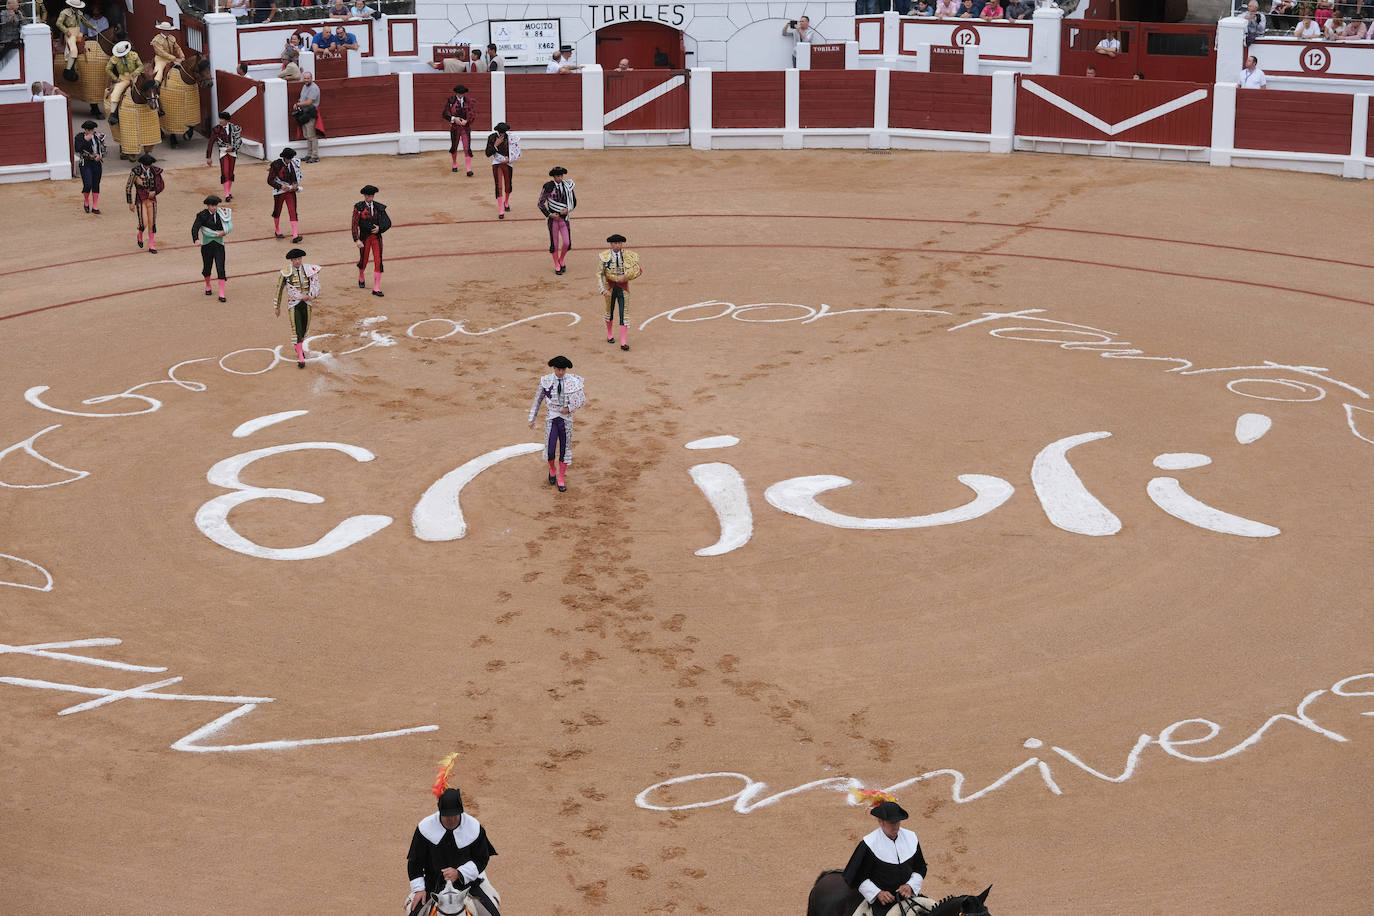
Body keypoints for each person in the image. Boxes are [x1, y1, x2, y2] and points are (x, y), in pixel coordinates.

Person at [406, 786, 501, 916]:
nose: (451, 819)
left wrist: (460, 873)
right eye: (446, 816)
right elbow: (415, 861)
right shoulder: (425, 828)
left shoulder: (474, 828)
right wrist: (419, 890)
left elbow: (481, 859)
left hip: (467, 885)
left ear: (460, 811)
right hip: (432, 884)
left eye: (454, 815)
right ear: (440, 812)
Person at [841, 800, 929, 916]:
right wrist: (877, 893)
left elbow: (920, 867)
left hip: (909, 896)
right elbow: (857, 876)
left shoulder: (911, 837)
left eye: (897, 822)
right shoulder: (869, 844)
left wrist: (910, 885)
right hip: (883, 903)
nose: (896, 826)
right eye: (891, 822)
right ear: (880, 821)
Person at [528, 355, 586, 492]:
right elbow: (538, 400)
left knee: (565, 450)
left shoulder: (573, 381)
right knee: (550, 450)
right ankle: (552, 469)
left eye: (563, 370)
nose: (561, 372)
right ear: (554, 368)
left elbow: (582, 400)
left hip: (566, 420)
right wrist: (532, 418)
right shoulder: (546, 381)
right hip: (551, 418)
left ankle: (561, 478)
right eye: (559, 369)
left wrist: (570, 408)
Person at [273, 248, 321, 368]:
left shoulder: (309, 270)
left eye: (299, 259)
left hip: (307, 303)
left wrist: (310, 296)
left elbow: (316, 285)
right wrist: (277, 306)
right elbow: (279, 289)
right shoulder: (286, 272)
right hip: (294, 304)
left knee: (304, 329)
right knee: (296, 329)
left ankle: (298, 347)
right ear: (291, 260)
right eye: (295, 259)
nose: (298, 261)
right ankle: (300, 357)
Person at [596, 233, 641, 351]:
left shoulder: (629, 255)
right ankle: (610, 334)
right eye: (615, 243)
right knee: (609, 311)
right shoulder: (604, 256)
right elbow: (599, 274)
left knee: (624, 313)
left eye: (619, 243)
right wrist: (603, 289)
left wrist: (626, 276)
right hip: (609, 287)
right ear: (611, 244)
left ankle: (623, 342)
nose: (617, 245)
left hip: (623, 287)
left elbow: (638, 270)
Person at [191, 194, 233, 302]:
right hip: (206, 246)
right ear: (208, 206)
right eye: (212, 206)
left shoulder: (221, 214)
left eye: (216, 205)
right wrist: (196, 239)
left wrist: (224, 232)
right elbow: (195, 228)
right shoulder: (201, 215)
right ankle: (208, 285)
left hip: (219, 245)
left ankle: (222, 293)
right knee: (207, 267)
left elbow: (229, 225)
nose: (215, 208)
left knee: (221, 268)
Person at [351, 184, 390, 297]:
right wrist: (356, 239)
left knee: (378, 261)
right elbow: (354, 224)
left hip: (376, 238)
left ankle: (376, 288)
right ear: (364, 196)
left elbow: (388, 222)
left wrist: (380, 228)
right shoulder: (359, 207)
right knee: (364, 260)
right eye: (368, 196)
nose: (370, 198)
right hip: (364, 238)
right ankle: (361, 275)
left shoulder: (379, 207)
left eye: (372, 196)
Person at [537, 166, 576, 275]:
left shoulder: (567, 186)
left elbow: (574, 201)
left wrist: (568, 209)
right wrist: (549, 215)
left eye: (561, 176)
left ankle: (561, 259)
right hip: (553, 220)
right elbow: (540, 203)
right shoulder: (548, 187)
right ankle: (557, 264)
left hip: (564, 219)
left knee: (566, 243)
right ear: (554, 177)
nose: (560, 178)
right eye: (558, 176)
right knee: (555, 243)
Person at [124, 153, 163, 253]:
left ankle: (151, 245)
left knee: (152, 222)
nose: (148, 166)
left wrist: (155, 192)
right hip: (141, 199)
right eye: (146, 165)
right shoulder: (135, 171)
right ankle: (140, 234)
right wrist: (130, 203)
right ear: (142, 164)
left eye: (149, 165)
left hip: (152, 199)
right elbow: (128, 187)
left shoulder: (155, 171)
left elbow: (161, 185)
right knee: (144, 222)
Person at [484, 121, 519, 219]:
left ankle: (506, 202)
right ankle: (501, 210)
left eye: (504, 132)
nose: (502, 134)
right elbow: (487, 153)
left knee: (508, 184)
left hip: (508, 163)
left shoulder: (511, 138)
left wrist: (510, 159)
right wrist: (495, 145)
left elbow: (516, 151)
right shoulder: (492, 137)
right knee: (498, 185)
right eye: (501, 132)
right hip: (497, 164)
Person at [268, 146, 304, 241]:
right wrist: (280, 186)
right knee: (277, 211)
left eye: (291, 158)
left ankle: (295, 235)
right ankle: (277, 230)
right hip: (279, 192)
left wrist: (295, 184)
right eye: (288, 158)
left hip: (290, 191)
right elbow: (270, 180)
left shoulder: (293, 164)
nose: (290, 160)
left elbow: (296, 176)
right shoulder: (276, 165)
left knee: (292, 211)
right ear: (284, 157)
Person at [206, 109, 242, 202]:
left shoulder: (235, 128)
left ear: (226, 120)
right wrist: (208, 157)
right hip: (223, 152)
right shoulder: (216, 129)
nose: (220, 121)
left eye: (221, 119)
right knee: (225, 172)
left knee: (230, 172)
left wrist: (233, 148)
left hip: (232, 152)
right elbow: (211, 143)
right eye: (220, 119)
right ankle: (227, 194)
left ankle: (228, 192)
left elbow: (239, 140)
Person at [105, 39, 143, 124]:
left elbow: (141, 66)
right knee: (116, 93)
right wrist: (115, 78)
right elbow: (108, 69)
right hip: (123, 78)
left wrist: (135, 72)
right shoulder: (114, 58)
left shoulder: (133, 55)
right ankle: (113, 114)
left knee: (146, 89)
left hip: (135, 77)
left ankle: (157, 108)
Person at [57, 0, 95, 81]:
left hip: (78, 33)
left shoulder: (79, 13)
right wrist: (66, 31)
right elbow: (58, 23)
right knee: (74, 50)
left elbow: (85, 21)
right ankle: (68, 70)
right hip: (70, 33)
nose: (78, 9)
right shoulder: (65, 12)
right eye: (77, 7)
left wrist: (92, 27)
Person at [443, 83, 476, 175]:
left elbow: (472, 113)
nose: (460, 95)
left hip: (465, 128)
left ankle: (469, 169)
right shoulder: (451, 101)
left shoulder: (469, 101)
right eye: (459, 93)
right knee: (454, 146)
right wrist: (454, 119)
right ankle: (454, 164)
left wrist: (467, 121)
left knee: (466, 147)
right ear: (456, 93)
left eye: (462, 93)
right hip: (455, 128)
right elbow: (445, 114)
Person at [74, 120, 106, 214]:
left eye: (92, 129)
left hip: (97, 163)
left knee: (96, 183)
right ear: (85, 130)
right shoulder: (80, 137)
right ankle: (86, 201)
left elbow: (104, 149)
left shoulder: (99, 136)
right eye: (89, 130)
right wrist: (85, 140)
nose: (92, 131)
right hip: (85, 163)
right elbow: (77, 149)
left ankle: (95, 206)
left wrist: (101, 155)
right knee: (88, 184)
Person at [295, 72, 322, 162]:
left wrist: (298, 104)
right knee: (307, 134)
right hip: (304, 112)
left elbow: (309, 102)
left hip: (310, 112)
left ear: (311, 78)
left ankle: (315, 156)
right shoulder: (304, 86)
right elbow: (302, 99)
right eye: (305, 78)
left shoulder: (314, 88)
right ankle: (309, 154)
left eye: (308, 78)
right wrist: (299, 103)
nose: (306, 80)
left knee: (311, 135)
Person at [150, 20, 185, 86]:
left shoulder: (171, 38)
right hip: (160, 59)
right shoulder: (156, 40)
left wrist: (182, 56)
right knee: (159, 70)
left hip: (171, 59)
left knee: (183, 67)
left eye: (169, 30)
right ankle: (155, 84)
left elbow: (177, 48)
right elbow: (161, 53)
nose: (168, 32)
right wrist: (175, 59)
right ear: (162, 30)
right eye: (167, 30)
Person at [0, 0, 26, 64]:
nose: (18, 6)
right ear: (11, 5)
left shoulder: (17, 13)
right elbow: (4, 23)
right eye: (17, 4)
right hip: (6, 39)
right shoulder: (3, 13)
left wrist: (21, 16)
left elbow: (25, 24)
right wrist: (10, 17)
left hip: (15, 38)